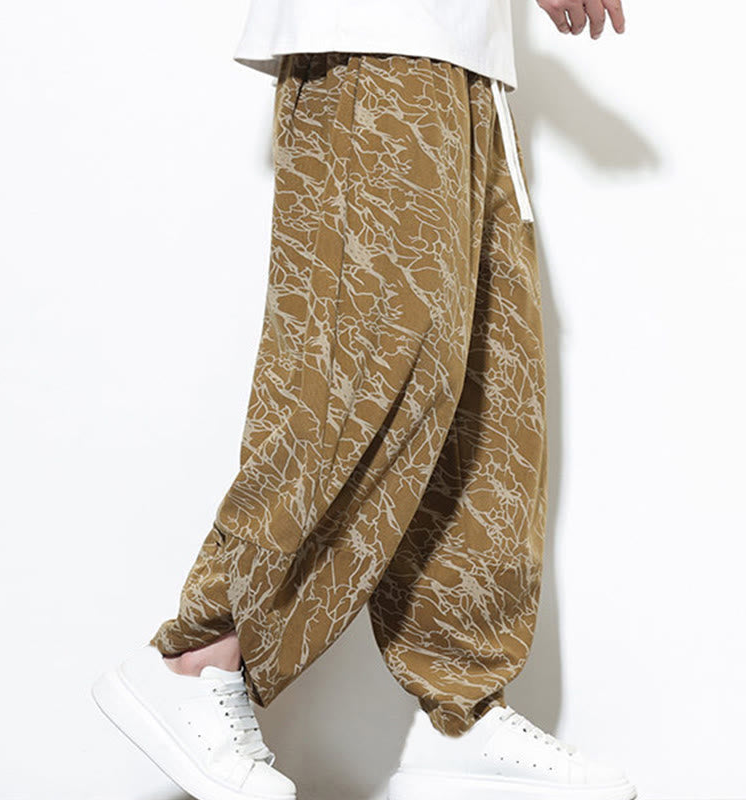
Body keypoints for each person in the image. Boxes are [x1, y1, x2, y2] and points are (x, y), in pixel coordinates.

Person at [91, 2, 633, 800]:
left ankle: (460, 711)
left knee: (487, 394)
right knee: (361, 372)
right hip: (376, 39)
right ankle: (201, 655)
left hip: (463, 57)